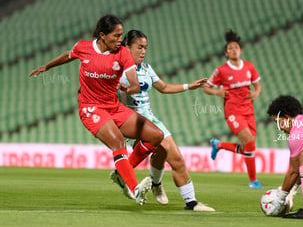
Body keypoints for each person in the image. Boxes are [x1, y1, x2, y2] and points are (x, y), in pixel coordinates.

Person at [29, 14, 164, 206]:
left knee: (155, 136)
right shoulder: (84, 47)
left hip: (114, 107)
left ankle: (121, 173)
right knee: (118, 142)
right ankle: (134, 189)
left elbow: (134, 83)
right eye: (116, 36)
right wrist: (47, 66)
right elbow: (68, 55)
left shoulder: (123, 54)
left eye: (121, 36)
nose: (120, 40)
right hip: (91, 108)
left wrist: (130, 88)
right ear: (102, 35)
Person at [110, 29, 215, 211]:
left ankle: (190, 202)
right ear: (127, 47)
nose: (143, 51)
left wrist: (188, 86)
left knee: (176, 159)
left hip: (151, 120)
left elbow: (164, 87)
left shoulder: (146, 69)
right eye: (139, 47)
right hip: (130, 122)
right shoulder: (115, 69)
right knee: (162, 148)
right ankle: (133, 177)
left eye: (145, 48)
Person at [203, 29, 263, 189]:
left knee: (249, 147)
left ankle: (219, 145)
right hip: (233, 112)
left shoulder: (249, 67)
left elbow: (258, 86)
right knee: (250, 143)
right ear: (226, 53)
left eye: (236, 47)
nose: (233, 49)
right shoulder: (221, 70)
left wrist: (255, 93)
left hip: (249, 111)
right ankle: (253, 181)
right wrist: (217, 91)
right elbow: (206, 87)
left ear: (240, 50)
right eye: (230, 48)